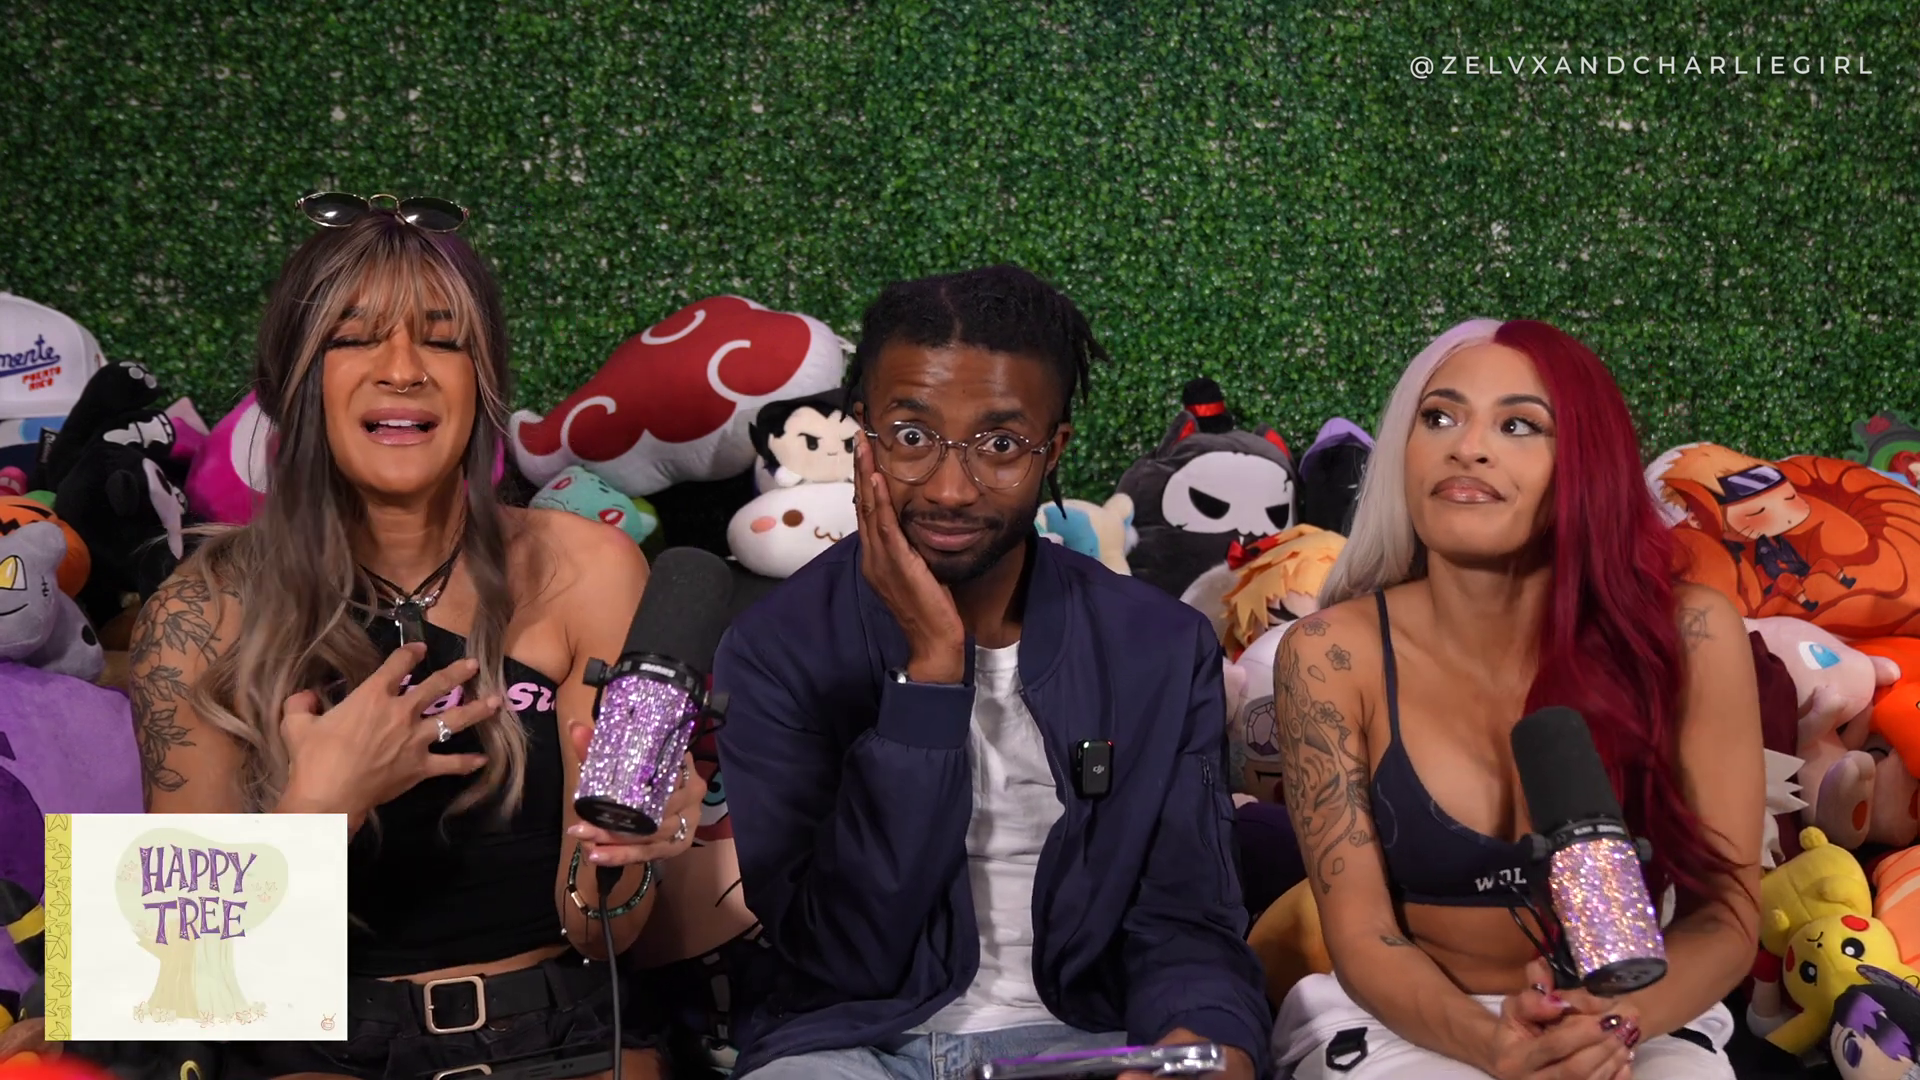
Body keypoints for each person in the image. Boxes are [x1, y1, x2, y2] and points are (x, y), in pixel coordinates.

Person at [111, 196, 706, 1080]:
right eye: (354, 338)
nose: (403, 371)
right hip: (316, 1048)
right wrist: (322, 807)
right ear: (294, 381)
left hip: (559, 1032)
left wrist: (626, 850)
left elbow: (598, 933)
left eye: (443, 339)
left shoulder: (588, 565)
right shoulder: (201, 608)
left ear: (483, 381)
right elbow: (176, 983)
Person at [712, 264, 1272, 1080]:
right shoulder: (778, 647)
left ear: (1055, 450)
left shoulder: (1156, 646)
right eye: (911, 437)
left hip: (1083, 1040)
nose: (950, 489)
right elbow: (840, 953)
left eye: (1001, 446)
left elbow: (1187, 920)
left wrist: (1203, 1042)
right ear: (863, 438)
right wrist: (930, 682)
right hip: (847, 1044)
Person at [1267, 319, 1764, 1079]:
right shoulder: (1328, 655)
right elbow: (1363, 934)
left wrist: (1607, 1028)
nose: (1467, 447)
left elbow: (1726, 914)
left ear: (1586, 463)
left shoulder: (1691, 634)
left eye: (1519, 425)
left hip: (1636, 1014)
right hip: (1411, 1025)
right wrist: (1495, 1046)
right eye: (1440, 417)